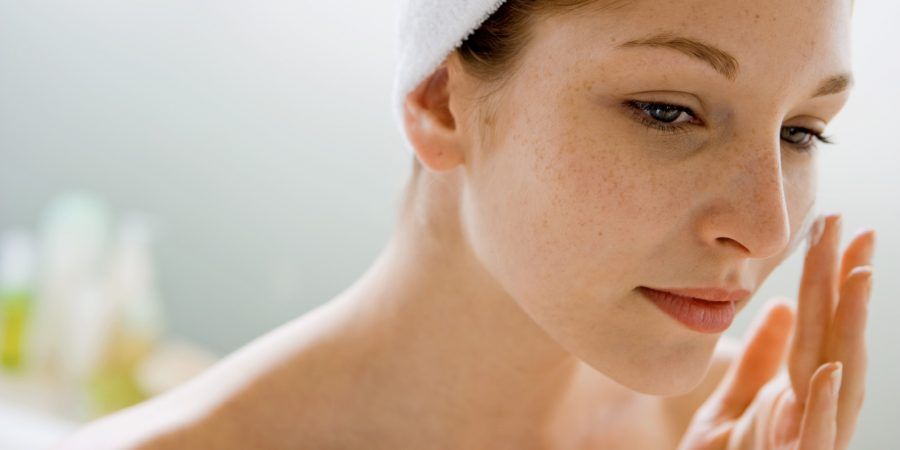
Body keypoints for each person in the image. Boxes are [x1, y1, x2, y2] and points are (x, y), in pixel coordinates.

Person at [56, 0, 876, 449]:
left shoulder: (750, 434)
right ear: (440, 102)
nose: (769, 230)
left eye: (802, 131)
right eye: (667, 110)